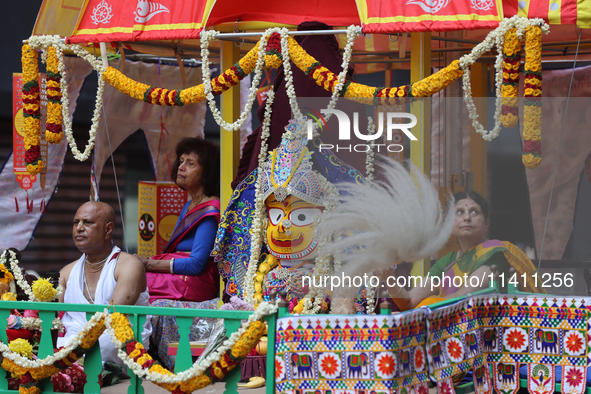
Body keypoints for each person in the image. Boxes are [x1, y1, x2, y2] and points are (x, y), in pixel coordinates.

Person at [134, 138, 221, 369]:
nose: (181, 167)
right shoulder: (189, 205)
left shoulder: (211, 209)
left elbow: (195, 264)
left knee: (138, 286)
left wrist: (150, 265)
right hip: (180, 276)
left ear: (207, 172)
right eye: (181, 161)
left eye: (190, 163)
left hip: (196, 280)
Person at [382, 191, 543, 311]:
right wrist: (388, 278)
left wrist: (426, 303)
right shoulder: (446, 262)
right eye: (460, 212)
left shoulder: (496, 254)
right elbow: (408, 302)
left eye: (474, 212)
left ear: (486, 223)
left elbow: (461, 298)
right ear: (450, 226)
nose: (467, 217)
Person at [58, 201, 152, 378]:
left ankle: (74, 368)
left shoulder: (129, 266)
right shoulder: (66, 273)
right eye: (76, 222)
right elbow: (48, 313)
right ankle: (76, 368)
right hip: (72, 345)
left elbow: (113, 318)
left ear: (108, 230)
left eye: (88, 222)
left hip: (115, 343)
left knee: (107, 342)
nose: (79, 228)